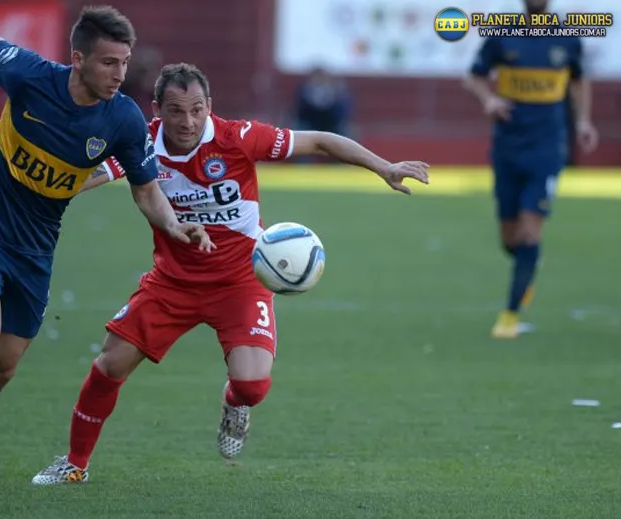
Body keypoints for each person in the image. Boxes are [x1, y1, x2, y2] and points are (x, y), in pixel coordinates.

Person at [31, 62, 430, 485]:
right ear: (157, 110)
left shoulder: (238, 137)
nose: (187, 121)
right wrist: (36, 184)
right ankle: (75, 463)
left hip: (241, 283)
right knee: (110, 364)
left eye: (197, 109)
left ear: (209, 107)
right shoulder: (140, 142)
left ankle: (234, 405)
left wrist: (383, 167)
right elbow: (87, 174)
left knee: (253, 386)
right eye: (176, 111)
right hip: (172, 282)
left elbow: (320, 141)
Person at [0, 7, 212, 497]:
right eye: (108, 62)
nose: (119, 74)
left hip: (35, 250)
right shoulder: (30, 75)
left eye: (123, 63)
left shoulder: (122, 118)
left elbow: (146, 191)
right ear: (77, 58)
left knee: (2, 365)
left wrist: (174, 224)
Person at [463, 0, 598, 339]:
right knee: (510, 240)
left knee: (528, 233)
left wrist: (582, 120)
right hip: (507, 146)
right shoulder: (502, 34)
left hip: (547, 147)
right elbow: (474, 76)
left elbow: (579, 80)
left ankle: (510, 315)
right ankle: (529, 262)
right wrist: (488, 100)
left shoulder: (568, 37)